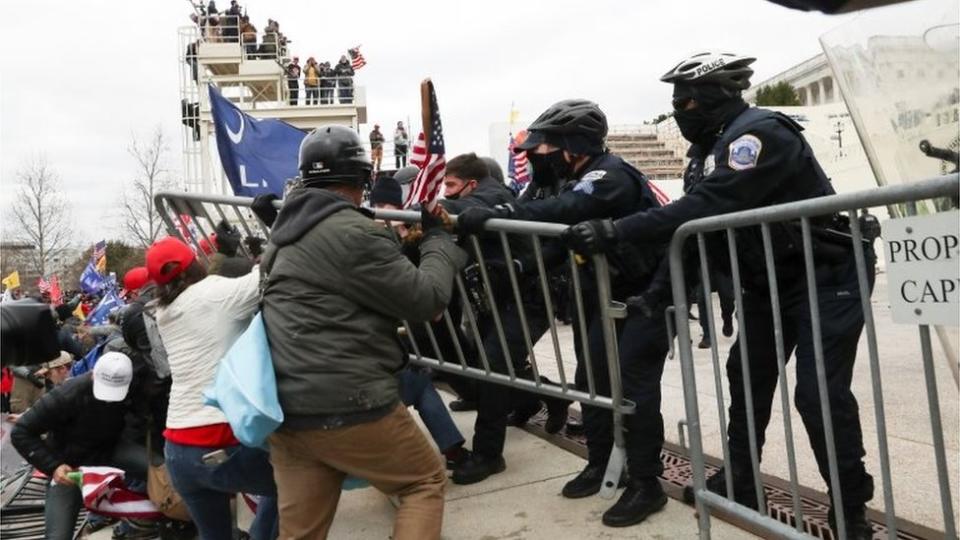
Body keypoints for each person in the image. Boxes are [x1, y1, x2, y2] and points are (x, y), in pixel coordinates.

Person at [566, 51, 876, 539]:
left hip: (825, 274)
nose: (679, 111)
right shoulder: (705, 152)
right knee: (745, 380)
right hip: (765, 282)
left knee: (817, 393)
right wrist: (660, 293)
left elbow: (711, 204)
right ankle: (741, 479)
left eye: (686, 100)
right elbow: (696, 235)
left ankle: (850, 505)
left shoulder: (761, 134)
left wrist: (617, 230)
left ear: (718, 95)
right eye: (675, 102)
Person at [456, 100, 670, 527]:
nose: (536, 156)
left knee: (632, 388)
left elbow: (565, 211)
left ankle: (647, 483)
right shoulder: (577, 176)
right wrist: (523, 266)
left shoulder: (608, 175)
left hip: (644, 299)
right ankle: (601, 462)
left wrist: (500, 213)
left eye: (543, 147)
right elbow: (564, 239)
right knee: (590, 382)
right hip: (598, 297)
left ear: (571, 145)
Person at [261, 125, 467, 539]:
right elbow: (427, 300)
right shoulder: (355, 233)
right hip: (349, 402)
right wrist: (440, 240)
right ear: (362, 179)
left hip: (287, 410)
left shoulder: (282, 238)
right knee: (422, 483)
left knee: (300, 532)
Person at [439, 153, 571, 486]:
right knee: (502, 364)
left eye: (451, 185)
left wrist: (429, 209)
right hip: (503, 296)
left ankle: (488, 454)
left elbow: (467, 209)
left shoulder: (492, 195)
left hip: (532, 297)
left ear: (472, 183)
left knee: (495, 365)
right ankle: (549, 398)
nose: (447, 191)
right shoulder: (478, 194)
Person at [147, 236, 278, 540]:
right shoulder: (214, 293)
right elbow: (271, 271)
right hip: (219, 439)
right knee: (299, 480)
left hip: (178, 452)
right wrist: (274, 236)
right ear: (194, 263)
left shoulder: (164, 312)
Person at [11, 352, 147, 540]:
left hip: (111, 449)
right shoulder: (66, 395)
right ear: (93, 374)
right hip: (70, 464)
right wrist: (54, 466)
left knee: (161, 469)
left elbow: (141, 420)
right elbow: (21, 432)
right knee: (58, 535)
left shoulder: (136, 388)